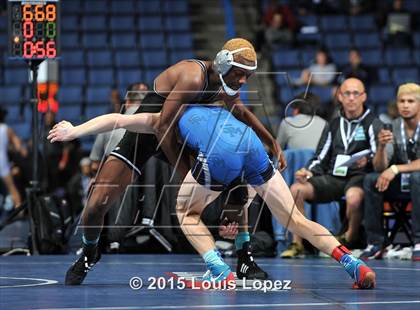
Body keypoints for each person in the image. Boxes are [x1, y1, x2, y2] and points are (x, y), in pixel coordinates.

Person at [49, 105, 377, 289]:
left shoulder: (160, 118)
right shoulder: (213, 101)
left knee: (185, 211)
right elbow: (244, 112)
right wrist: (272, 142)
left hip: (222, 154)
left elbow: (117, 120)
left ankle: (219, 269)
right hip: (250, 144)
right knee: (295, 218)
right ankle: (351, 261)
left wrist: (75, 130)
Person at [53, 38, 285, 285]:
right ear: (225, 64)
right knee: (97, 202)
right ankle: (89, 252)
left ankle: (245, 256)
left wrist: (271, 140)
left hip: (183, 135)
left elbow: (238, 109)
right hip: (152, 131)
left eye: (247, 76)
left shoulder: (226, 81)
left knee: (238, 177)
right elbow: (162, 125)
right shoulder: (193, 77)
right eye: (240, 74)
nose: (242, 81)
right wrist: (184, 171)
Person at [281, 78, 382, 258]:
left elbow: (379, 158)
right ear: (340, 97)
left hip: (358, 178)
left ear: (364, 97)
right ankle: (298, 243)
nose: (351, 98)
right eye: (346, 94)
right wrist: (308, 171)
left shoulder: (373, 123)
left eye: (355, 93)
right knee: (296, 189)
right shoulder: (334, 124)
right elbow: (321, 155)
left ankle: (347, 239)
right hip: (334, 177)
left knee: (353, 198)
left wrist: (368, 160)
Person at [361, 83, 420, 261]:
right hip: (402, 182)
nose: (405, 105)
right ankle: (375, 242)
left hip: (416, 180)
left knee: (418, 178)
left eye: (411, 101)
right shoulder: (391, 127)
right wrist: (381, 147)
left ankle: (418, 241)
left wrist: (395, 169)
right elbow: (380, 167)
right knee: (371, 179)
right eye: (402, 101)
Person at [0, 107, 26, 210]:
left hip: (3, 160)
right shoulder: (7, 129)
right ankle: (18, 211)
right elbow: (18, 146)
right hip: (2, 161)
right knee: (11, 188)